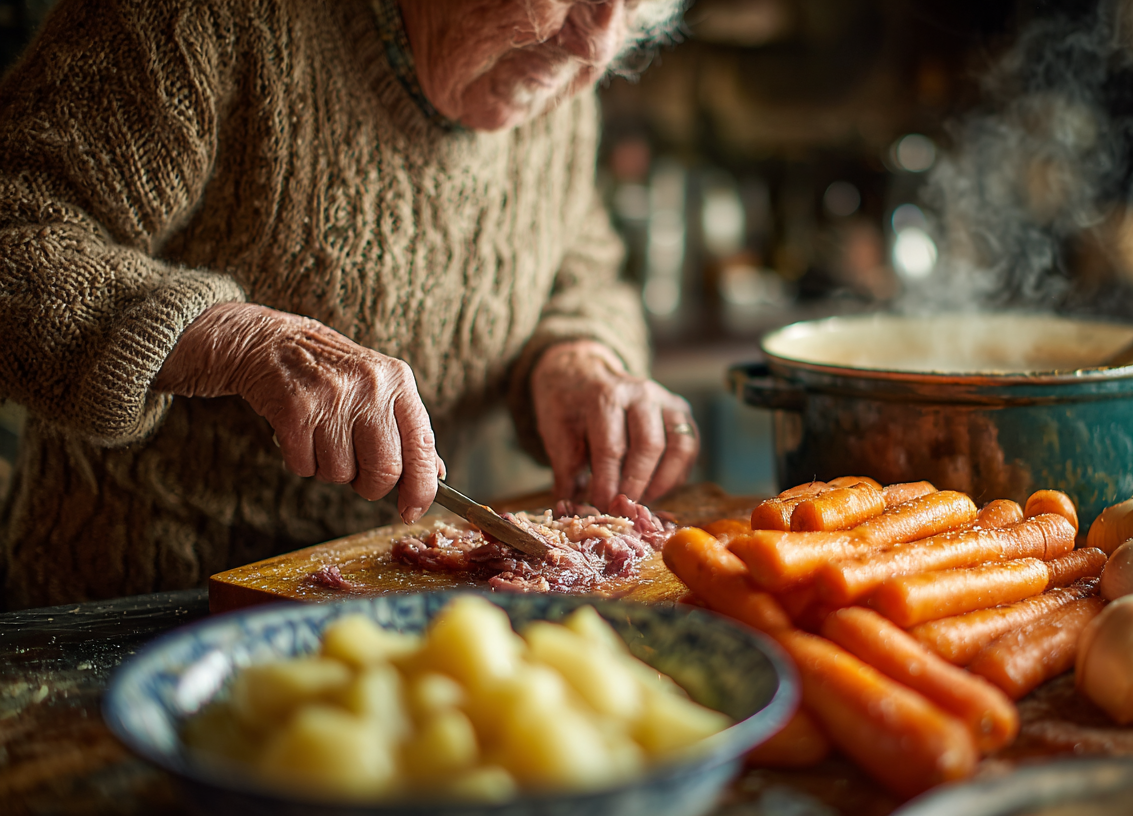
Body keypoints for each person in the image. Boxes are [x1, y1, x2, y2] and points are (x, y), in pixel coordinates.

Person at [0, 0, 697, 609]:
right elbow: (19, 231)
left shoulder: (551, 85)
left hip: (410, 605)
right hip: (140, 608)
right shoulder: (203, 18)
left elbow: (584, 265)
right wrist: (229, 341)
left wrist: (577, 354)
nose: (598, 44)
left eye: (630, 6)